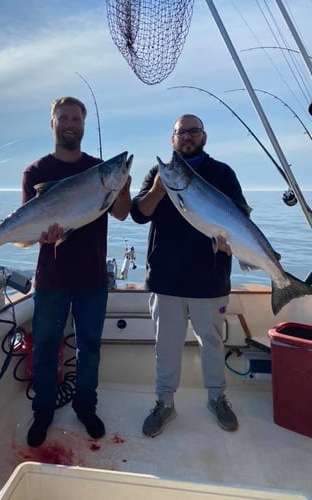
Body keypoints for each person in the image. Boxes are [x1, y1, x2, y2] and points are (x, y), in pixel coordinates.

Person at [22, 96, 132, 447]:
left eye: (77, 119)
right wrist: (44, 235)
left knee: (90, 348)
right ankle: (43, 411)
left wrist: (122, 185)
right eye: (64, 117)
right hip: (51, 280)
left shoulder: (101, 170)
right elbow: (30, 225)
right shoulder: (36, 172)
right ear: (52, 123)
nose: (71, 123)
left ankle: (86, 406)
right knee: (44, 349)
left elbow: (120, 213)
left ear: (84, 126)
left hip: (92, 280)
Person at [130, 114, 249, 437]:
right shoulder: (159, 173)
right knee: (165, 346)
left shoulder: (222, 173)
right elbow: (138, 214)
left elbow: (241, 218)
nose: (187, 137)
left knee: (211, 342)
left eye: (194, 131)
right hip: (166, 279)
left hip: (210, 280)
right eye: (181, 132)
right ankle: (164, 403)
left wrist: (232, 246)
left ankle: (217, 398)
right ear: (172, 140)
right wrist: (158, 190)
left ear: (204, 136)